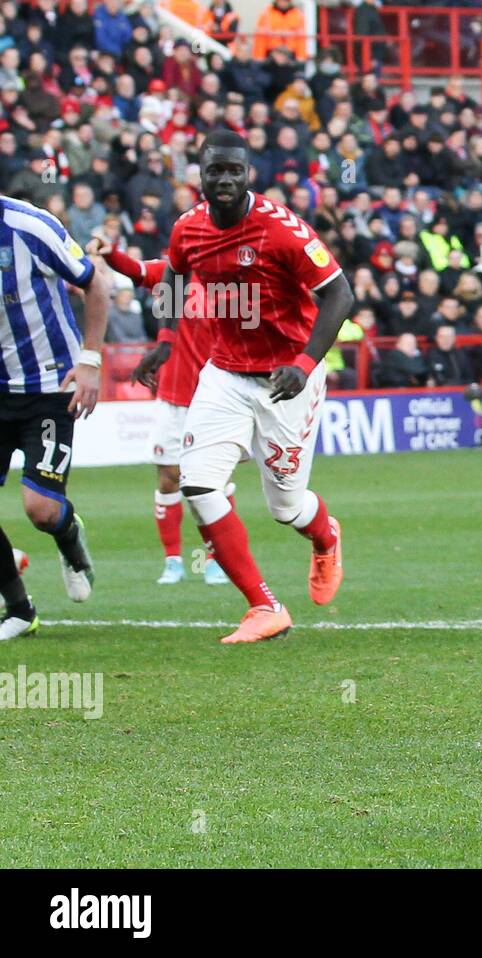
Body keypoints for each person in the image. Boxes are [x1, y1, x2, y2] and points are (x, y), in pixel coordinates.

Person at [131, 129, 355, 644]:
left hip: (287, 379)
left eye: (235, 170)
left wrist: (303, 361)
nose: (225, 179)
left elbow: (339, 294)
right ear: (200, 175)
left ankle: (324, 535)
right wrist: (166, 339)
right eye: (216, 170)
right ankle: (263, 605)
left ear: (248, 172)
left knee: (286, 508)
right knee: (198, 483)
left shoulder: (282, 230)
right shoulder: (187, 228)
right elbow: (172, 275)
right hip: (225, 374)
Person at [89, 236, 230, 586]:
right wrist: (112, 253)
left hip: (215, 398)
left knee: (212, 483)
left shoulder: (233, 286)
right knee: (168, 476)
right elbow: (136, 270)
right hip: (173, 395)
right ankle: (173, 561)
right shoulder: (174, 275)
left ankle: (215, 559)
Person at [0, 194, 109, 639]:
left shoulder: (31, 226)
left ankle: (67, 533)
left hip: (48, 390)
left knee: (41, 510)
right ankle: (21, 611)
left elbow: (94, 284)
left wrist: (90, 361)